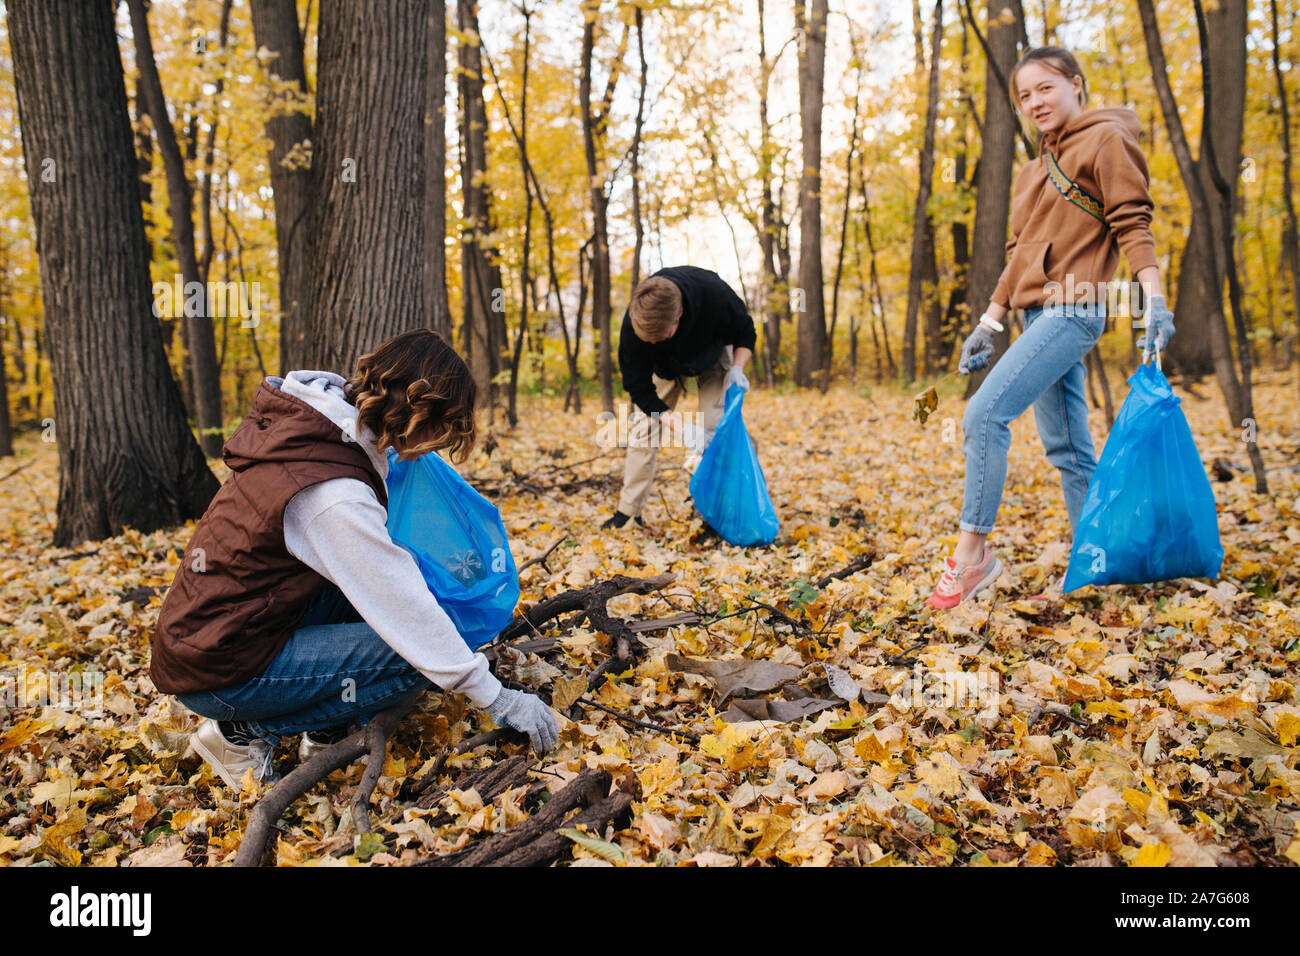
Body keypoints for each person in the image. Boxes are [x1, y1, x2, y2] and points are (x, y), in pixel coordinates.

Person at [150, 329, 558, 790]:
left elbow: (371, 572)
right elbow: (405, 610)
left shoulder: (320, 432)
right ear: (421, 415)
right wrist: (499, 699)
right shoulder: (332, 493)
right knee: (412, 654)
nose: (434, 449)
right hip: (219, 670)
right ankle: (239, 731)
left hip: (226, 631)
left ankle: (324, 729)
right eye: (439, 433)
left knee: (387, 603)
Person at [927, 47, 1176, 610]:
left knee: (983, 415)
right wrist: (989, 322)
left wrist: (1153, 300)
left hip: (1076, 309)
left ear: (1075, 85)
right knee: (1068, 449)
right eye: (1024, 95)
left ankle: (973, 558)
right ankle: (1099, 561)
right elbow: (1018, 255)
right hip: (1037, 314)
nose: (1035, 102)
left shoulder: (1107, 139)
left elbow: (1132, 220)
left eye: (1045, 88)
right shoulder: (1030, 173)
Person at [602, 266, 757, 531]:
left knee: (716, 427)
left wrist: (737, 368)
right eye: (645, 339)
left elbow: (746, 330)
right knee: (644, 429)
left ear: (679, 315)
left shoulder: (714, 295)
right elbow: (637, 385)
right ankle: (628, 513)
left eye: (656, 338)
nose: (649, 342)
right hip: (664, 367)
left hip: (712, 356)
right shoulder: (636, 322)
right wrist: (679, 425)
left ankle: (717, 512)